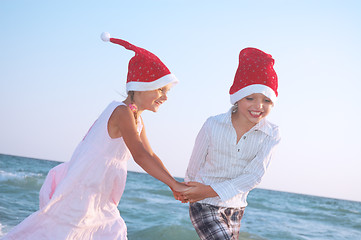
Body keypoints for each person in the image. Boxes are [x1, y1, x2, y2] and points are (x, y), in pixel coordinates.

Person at [2, 32, 188, 240]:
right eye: (161, 89)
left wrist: (174, 182)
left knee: (109, 232)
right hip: (82, 191)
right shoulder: (121, 112)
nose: (165, 97)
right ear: (141, 86)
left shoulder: (137, 120)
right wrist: (174, 185)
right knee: (64, 232)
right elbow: (140, 156)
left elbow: (150, 154)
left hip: (99, 197)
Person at [181, 47, 281, 240]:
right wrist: (189, 190)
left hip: (235, 207)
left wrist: (207, 191)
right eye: (250, 98)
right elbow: (195, 164)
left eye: (266, 100)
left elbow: (253, 176)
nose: (258, 106)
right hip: (204, 203)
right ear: (237, 98)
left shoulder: (272, 134)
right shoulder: (213, 124)